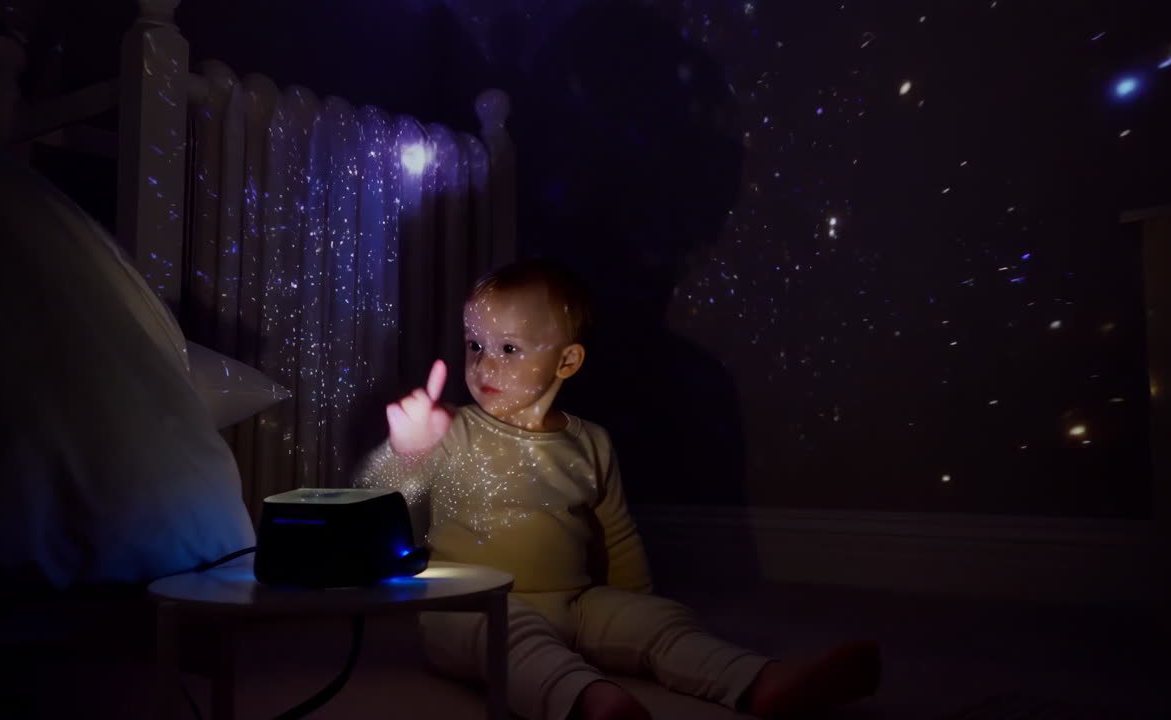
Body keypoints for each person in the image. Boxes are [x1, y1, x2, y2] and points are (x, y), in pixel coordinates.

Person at [354, 259, 879, 720]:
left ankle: (758, 680)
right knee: (512, 640)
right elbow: (379, 496)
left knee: (662, 623)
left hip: (576, 601)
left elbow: (617, 534)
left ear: (567, 362)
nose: (483, 363)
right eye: (475, 345)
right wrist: (407, 452)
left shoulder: (591, 442)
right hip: (472, 607)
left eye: (508, 348)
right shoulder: (452, 429)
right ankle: (588, 698)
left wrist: (635, 607)